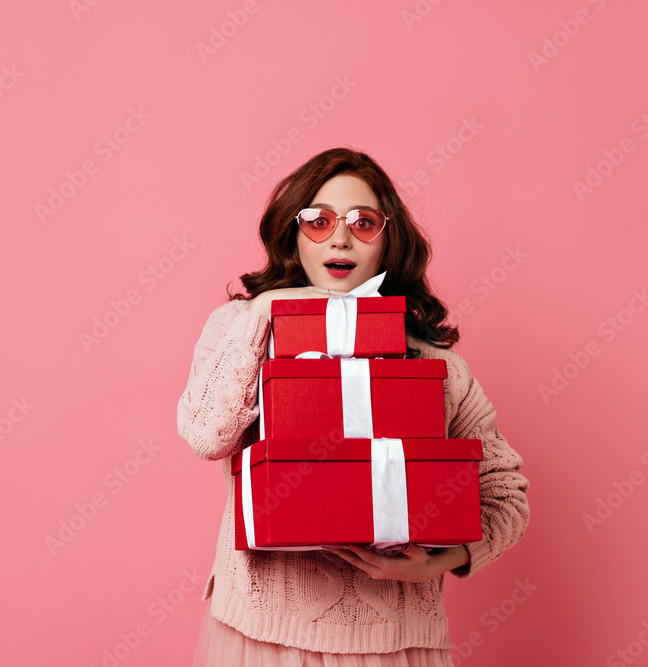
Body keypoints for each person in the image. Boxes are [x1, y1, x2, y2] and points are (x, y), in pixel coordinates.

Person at [176, 147, 530, 666]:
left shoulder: (435, 365)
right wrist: (266, 313)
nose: (340, 236)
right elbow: (207, 435)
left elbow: (506, 495)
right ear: (293, 236)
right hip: (263, 634)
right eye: (318, 221)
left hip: (396, 640)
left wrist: (439, 563)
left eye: (364, 223)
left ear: (388, 242)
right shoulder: (238, 329)